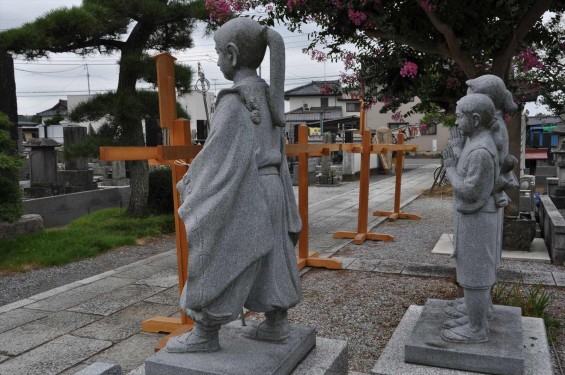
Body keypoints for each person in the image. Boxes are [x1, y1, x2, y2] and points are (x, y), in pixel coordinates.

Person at [166, 17, 303, 353]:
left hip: (246, 190)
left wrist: (191, 180)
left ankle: (205, 333)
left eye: (216, 52)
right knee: (271, 257)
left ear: (232, 53)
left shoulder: (234, 100)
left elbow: (216, 156)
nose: (216, 59)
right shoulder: (267, 96)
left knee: (224, 254)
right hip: (274, 190)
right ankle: (276, 323)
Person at [441, 93, 500, 343]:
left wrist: (451, 169)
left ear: (475, 119)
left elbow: (468, 189)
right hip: (474, 218)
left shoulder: (480, 151)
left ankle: (477, 329)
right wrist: (457, 149)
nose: (456, 121)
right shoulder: (476, 142)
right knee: (471, 267)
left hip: (477, 219)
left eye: (460, 116)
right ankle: (479, 313)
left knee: (474, 272)